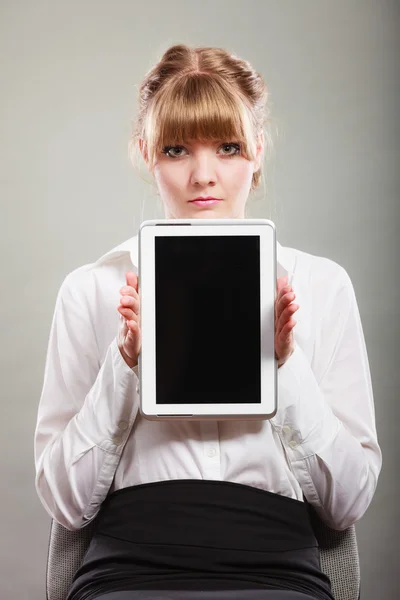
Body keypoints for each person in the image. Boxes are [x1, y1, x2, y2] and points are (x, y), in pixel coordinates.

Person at [34, 44, 382, 600]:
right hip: (131, 565)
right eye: (177, 149)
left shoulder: (322, 286)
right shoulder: (91, 289)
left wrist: (284, 364)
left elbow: (348, 503)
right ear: (147, 153)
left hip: (277, 565)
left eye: (227, 147)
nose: (203, 175)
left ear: (257, 152)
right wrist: (125, 362)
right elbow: (66, 505)